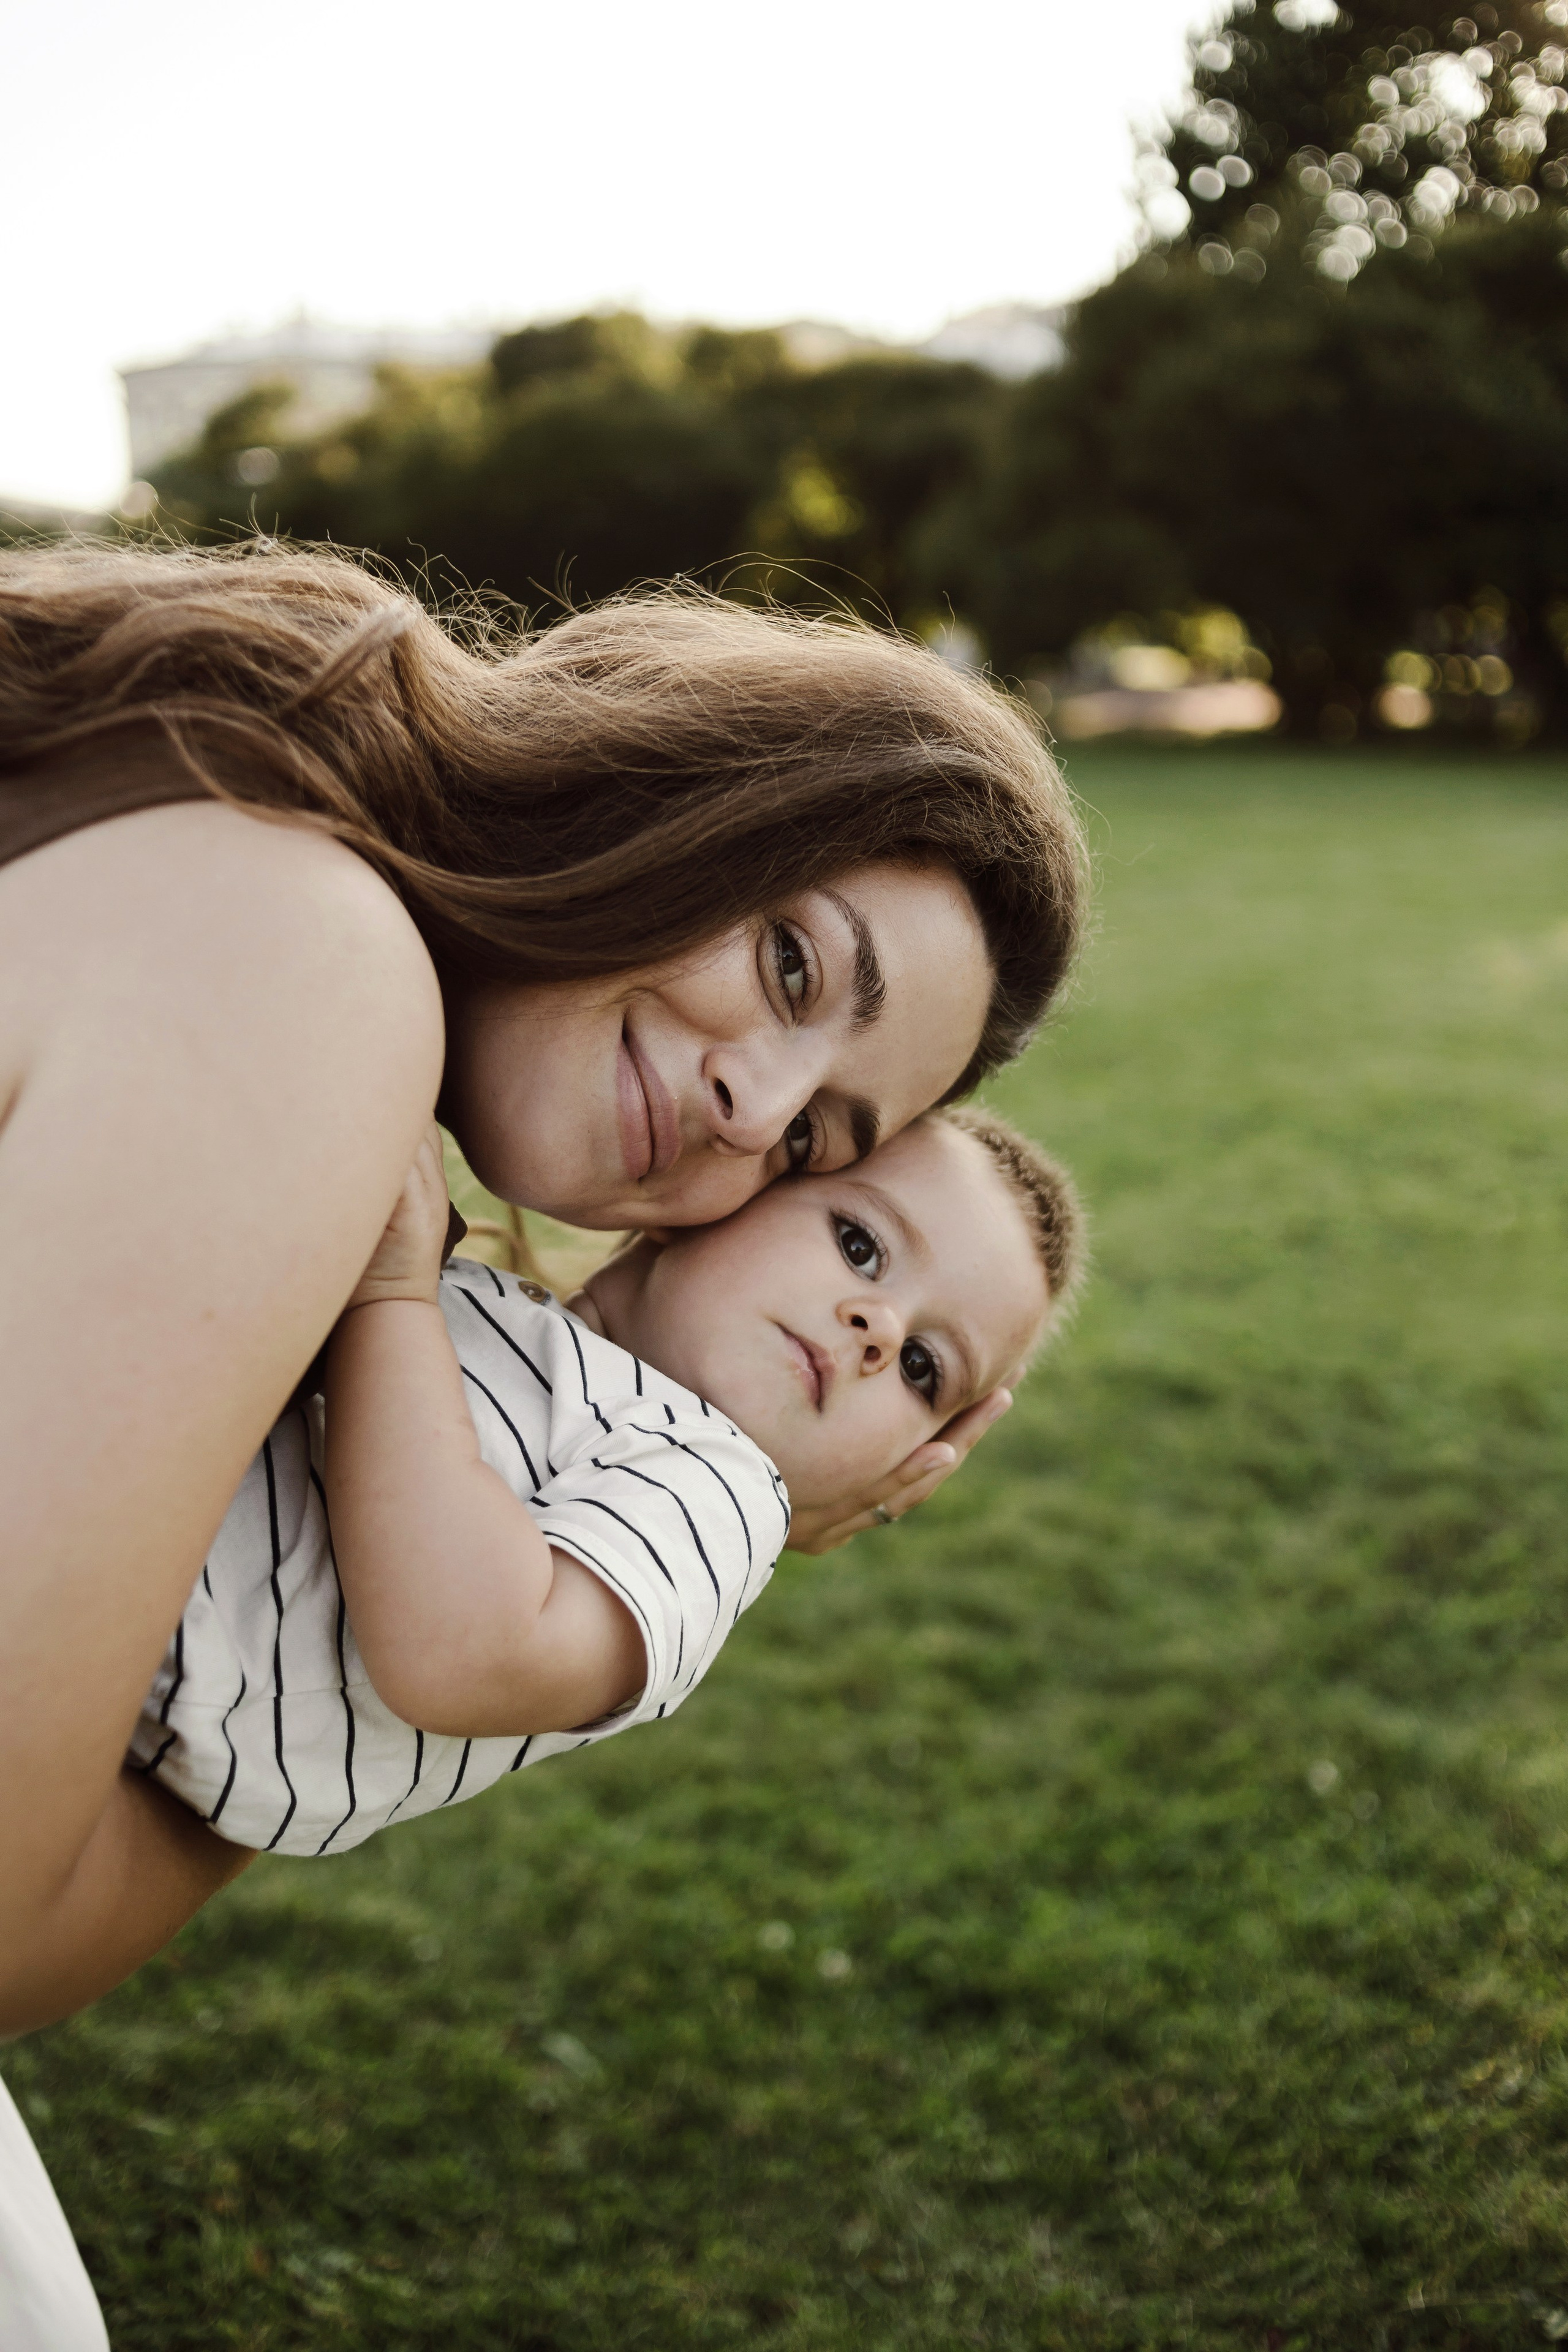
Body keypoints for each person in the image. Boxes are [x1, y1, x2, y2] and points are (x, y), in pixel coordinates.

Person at [0, 540, 1085, 2346]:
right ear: (685, 789)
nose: (752, 1106)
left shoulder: (256, 804)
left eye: (821, 1146)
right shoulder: (314, 979)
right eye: (795, 958)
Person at [126, 1107, 1084, 1860]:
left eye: (923, 1367)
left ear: (904, 1467)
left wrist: (392, 1294)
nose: (879, 1327)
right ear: (728, 1195)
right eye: (862, 1246)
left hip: (131, 1657)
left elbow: (462, 1650)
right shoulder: (546, 1349)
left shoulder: (719, 1494)